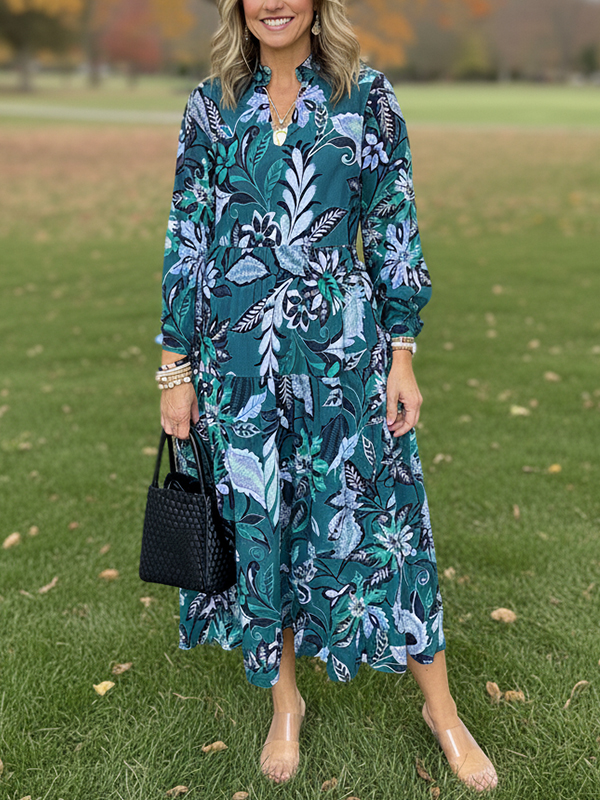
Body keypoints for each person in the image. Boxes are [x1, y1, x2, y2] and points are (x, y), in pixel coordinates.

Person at [157, 0, 498, 792]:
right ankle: (286, 704)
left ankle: (442, 710)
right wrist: (176, 369)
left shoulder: (367, 95)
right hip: (237, 356)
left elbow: (392, 221)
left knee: (386, 523)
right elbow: (187, 237)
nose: (274, 3)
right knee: (260, 524)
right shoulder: (210, 106)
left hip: (343, 352)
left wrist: (402, 352)